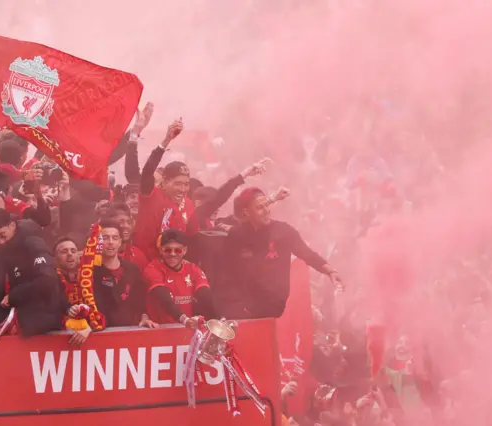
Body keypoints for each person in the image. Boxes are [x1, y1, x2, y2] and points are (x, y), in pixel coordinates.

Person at [220, 187, 343, 319]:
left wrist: (330, 271)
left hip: (275, 309)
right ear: (246, 212)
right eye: (260, 207)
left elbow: (307, 254)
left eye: (267, 205)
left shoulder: (283, 231)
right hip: (244, 310)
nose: (267, 211)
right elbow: (227, 272)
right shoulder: (237, 235)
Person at [0, 208, 69, 336]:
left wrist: (13, 296)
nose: (1, 242)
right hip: (21, 311)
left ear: (12, 226)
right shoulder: (5, 250)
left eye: (2, 235)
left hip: (42, 316)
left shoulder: (33, 243)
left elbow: (47, 282)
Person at [68, 220, 157, 337]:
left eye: (115, 238)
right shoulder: (88, 272)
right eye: (105, 238)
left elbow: (140, 301)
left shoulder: (132, 269)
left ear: (120, 242)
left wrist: (144, 317)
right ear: (97, 242)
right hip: (96, 334)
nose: (110, 242)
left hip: (128, 334)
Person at [132, 119, 194, 260]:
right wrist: (166, 140)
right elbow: (148, 171)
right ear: (165, 182)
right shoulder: (151, 195)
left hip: (166, 269)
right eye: (178, 183)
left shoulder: (181, 210)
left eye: (186, 184)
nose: (183, 189)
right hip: (140, 264)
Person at [144, 229, 218, 327]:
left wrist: (220, 319)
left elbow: (205, 295)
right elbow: (163, 297)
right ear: (161, 250)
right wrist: (183, 319)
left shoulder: (192, 268)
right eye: (168, 250)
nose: (172, 254)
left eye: (178, 250)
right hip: (160, 328)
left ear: (185, 251)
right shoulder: (152, 268)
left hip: (185, 328)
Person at [105, 205, 148, 271]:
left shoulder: (138, 255)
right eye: (121, 222)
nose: (126, 226)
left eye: (129, 222)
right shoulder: (97, 255)